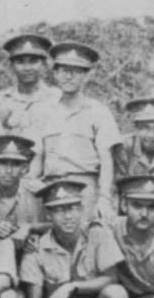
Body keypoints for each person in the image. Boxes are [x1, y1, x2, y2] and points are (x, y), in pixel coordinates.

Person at [26, 41, 122, 223]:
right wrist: (31, 179)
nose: (69, 77)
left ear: (86, 75)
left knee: (89, 238)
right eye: (63, 71)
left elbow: (106, 160)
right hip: (51, 186)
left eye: (76, 71)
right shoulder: (41, 111)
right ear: (55, 73)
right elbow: (38, 156)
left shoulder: (98, 111)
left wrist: (104, 198)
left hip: (85, 189)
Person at [0, 33, 60, 133]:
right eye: (20, 62)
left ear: (43, 64)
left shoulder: (57, 98)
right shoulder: (0, 100)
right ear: (12, 65)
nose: (27, 68)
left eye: (33, 61)